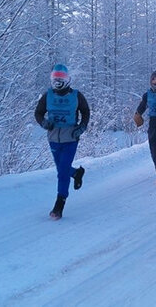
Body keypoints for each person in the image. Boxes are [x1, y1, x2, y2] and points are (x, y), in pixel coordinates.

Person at [34, 64, 90, 220]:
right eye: (55, 79)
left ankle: (59, 204)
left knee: (62, 171)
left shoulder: (76, 96)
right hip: (53, 138)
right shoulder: (48, 96)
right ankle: (77, 173)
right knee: (61, 167)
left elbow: (85, 111)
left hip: (70, 137)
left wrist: (81, 127)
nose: (58, 82)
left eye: (61, 78)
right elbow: (38, 113)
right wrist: (44, 123)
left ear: (67, 78)